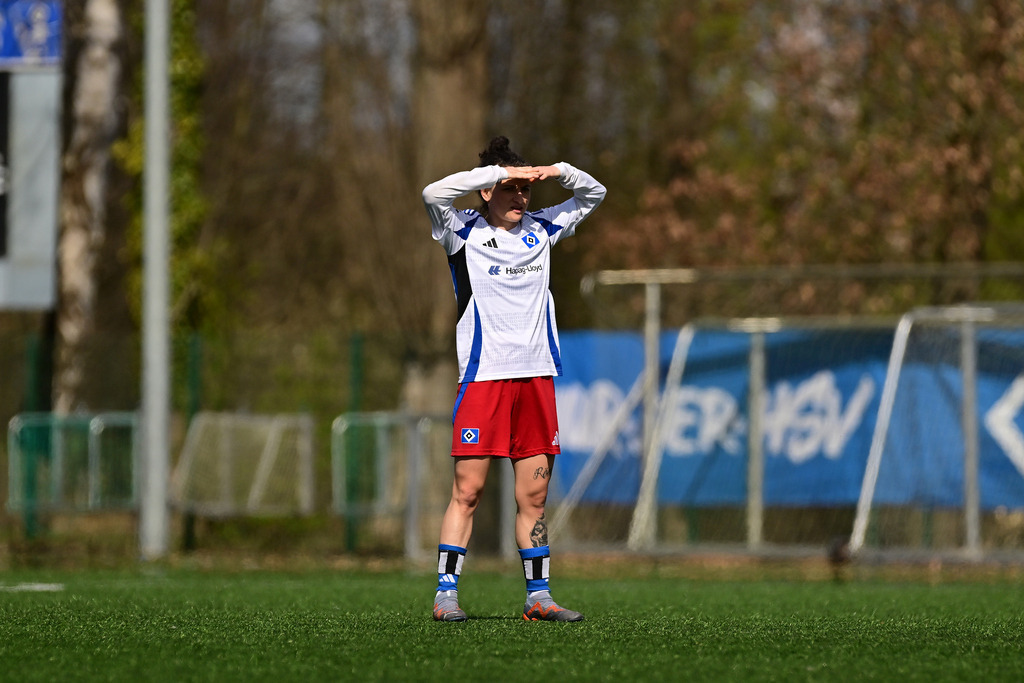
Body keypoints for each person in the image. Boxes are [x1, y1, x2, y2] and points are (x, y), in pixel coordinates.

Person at [421, 136, 606, 622]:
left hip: (536, 379)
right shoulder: (458, 230)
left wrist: (557, 170)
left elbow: (594, 194)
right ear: (487, 191)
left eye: (525, 189)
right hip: (484, 379)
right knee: (469, 491)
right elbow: (432, 193)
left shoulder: (543, 228)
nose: (520, 197)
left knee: (535, 497)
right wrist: (493, 174)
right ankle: (445, 595)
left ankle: (538, 598)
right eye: (510, 188)